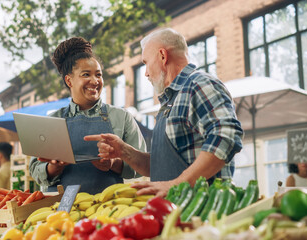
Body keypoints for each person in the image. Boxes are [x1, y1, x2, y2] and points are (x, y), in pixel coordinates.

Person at [85, 28, 243, 197]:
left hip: (204, 209)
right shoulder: (169, 102)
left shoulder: (199, 84)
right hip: (174, 211)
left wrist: (176, 185)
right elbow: (161, 166)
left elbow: (226, 136)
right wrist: (124, 151)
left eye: (145, 63)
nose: (145, 73)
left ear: (162, 56)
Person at [29, 37, 146, 194]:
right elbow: (35, 170)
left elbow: (142, 165)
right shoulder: (51, 121)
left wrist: (113, 163)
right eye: (86, 75)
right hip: (61, 210)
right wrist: (54, 167)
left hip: (108, 206)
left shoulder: (121, 117)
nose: (95, 81)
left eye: (98, 74)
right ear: (69, 81)